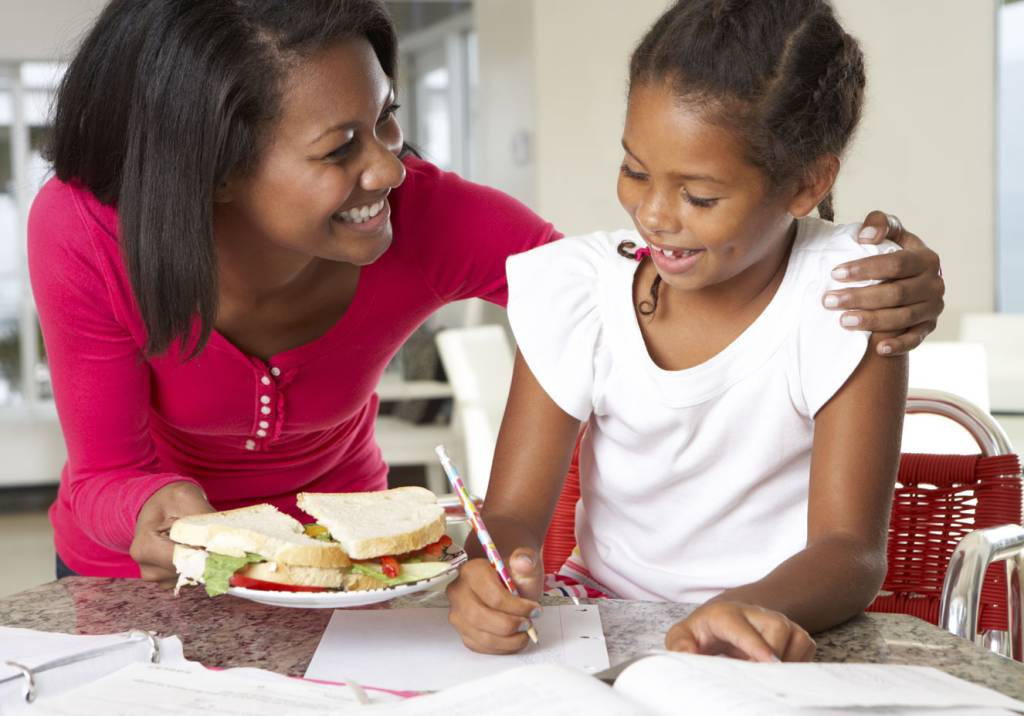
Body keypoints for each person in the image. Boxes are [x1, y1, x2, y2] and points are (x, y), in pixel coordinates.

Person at [29, 0, 941, 584]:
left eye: (386, 117)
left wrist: (860, 273)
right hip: (140, 565)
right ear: (216, 169)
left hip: (352, 567)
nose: (393, 165)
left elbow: (618, 296)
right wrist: (163, 518)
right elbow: (107, 474)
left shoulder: (430, 217)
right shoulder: (87, 230)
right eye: (339, 147)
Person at [446, 0, 914, 663]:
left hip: (770, 626)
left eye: (699, 197)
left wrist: (751, 608)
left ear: (807, 183)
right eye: (635, 171)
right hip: (599, 626)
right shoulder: (581, 292)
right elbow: (512, 516)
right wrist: (491, 575)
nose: (655, 215)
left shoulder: (849, 298)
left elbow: (851, 552)